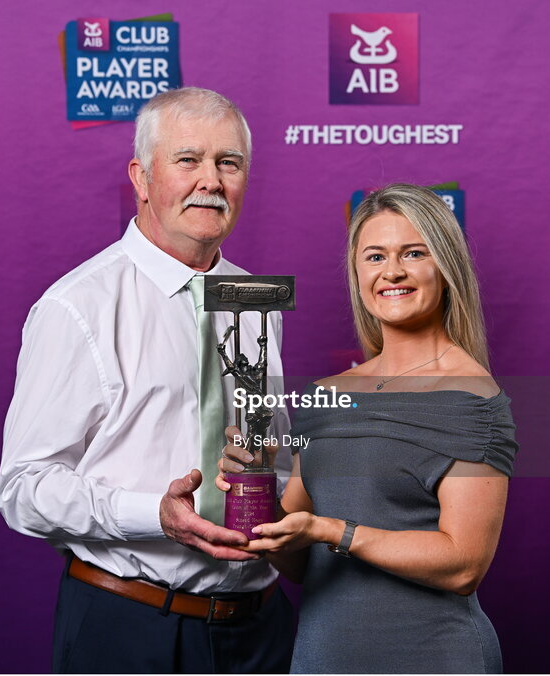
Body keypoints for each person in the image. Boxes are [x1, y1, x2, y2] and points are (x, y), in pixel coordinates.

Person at [0, 87, 294, 673]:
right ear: (141, 176)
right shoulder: (78, 306)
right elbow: (22, 489)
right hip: (134, 630)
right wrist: (151, 513)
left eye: (228, 163)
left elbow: (268, 454)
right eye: (188, 160)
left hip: (259, 630)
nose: (210, 180)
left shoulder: (256, 298)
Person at [219, 183, 518, 673]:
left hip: (433, 657)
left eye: (413, 253)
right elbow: (295, 560)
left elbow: (464, 564)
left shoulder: (472, 397)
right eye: (374, 256)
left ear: (445, 266)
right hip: (324, 657)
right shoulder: (325, 394)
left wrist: (331, 530)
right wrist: (252, 488)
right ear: (357, 273)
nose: (392, 271)